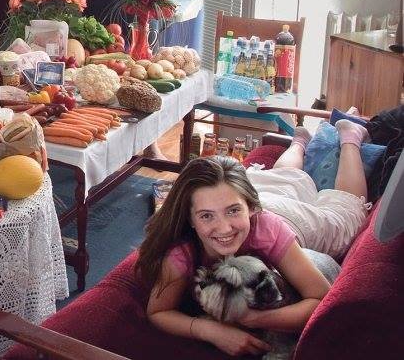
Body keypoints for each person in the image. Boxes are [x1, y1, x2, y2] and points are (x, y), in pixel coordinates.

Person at [135, 119, 372, 357]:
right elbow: (158, 312)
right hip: (258, 192)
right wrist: (211, 331)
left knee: (346, 209)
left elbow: (321, 299)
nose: (224, 228)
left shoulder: (269, 230)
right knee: (284, 178)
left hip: (295, 220)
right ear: (190, 220)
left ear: (251, 207)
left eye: (232, 211)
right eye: (206, 216)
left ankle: (350, 138)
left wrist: (253, 319)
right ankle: (298, 143)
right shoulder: (182, 253)